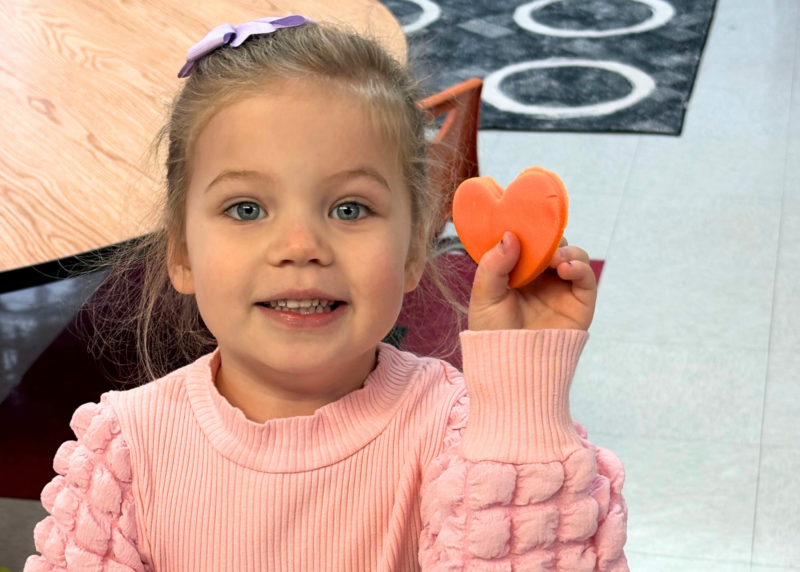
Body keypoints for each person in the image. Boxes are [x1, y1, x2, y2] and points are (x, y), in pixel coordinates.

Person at [23, 15, 628, 572]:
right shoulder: (124, 453)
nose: (300, 245)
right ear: (181, 251)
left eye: (349, 207)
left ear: (415, 249)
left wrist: (521, 397)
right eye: (246, 207)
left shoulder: (465, 433)